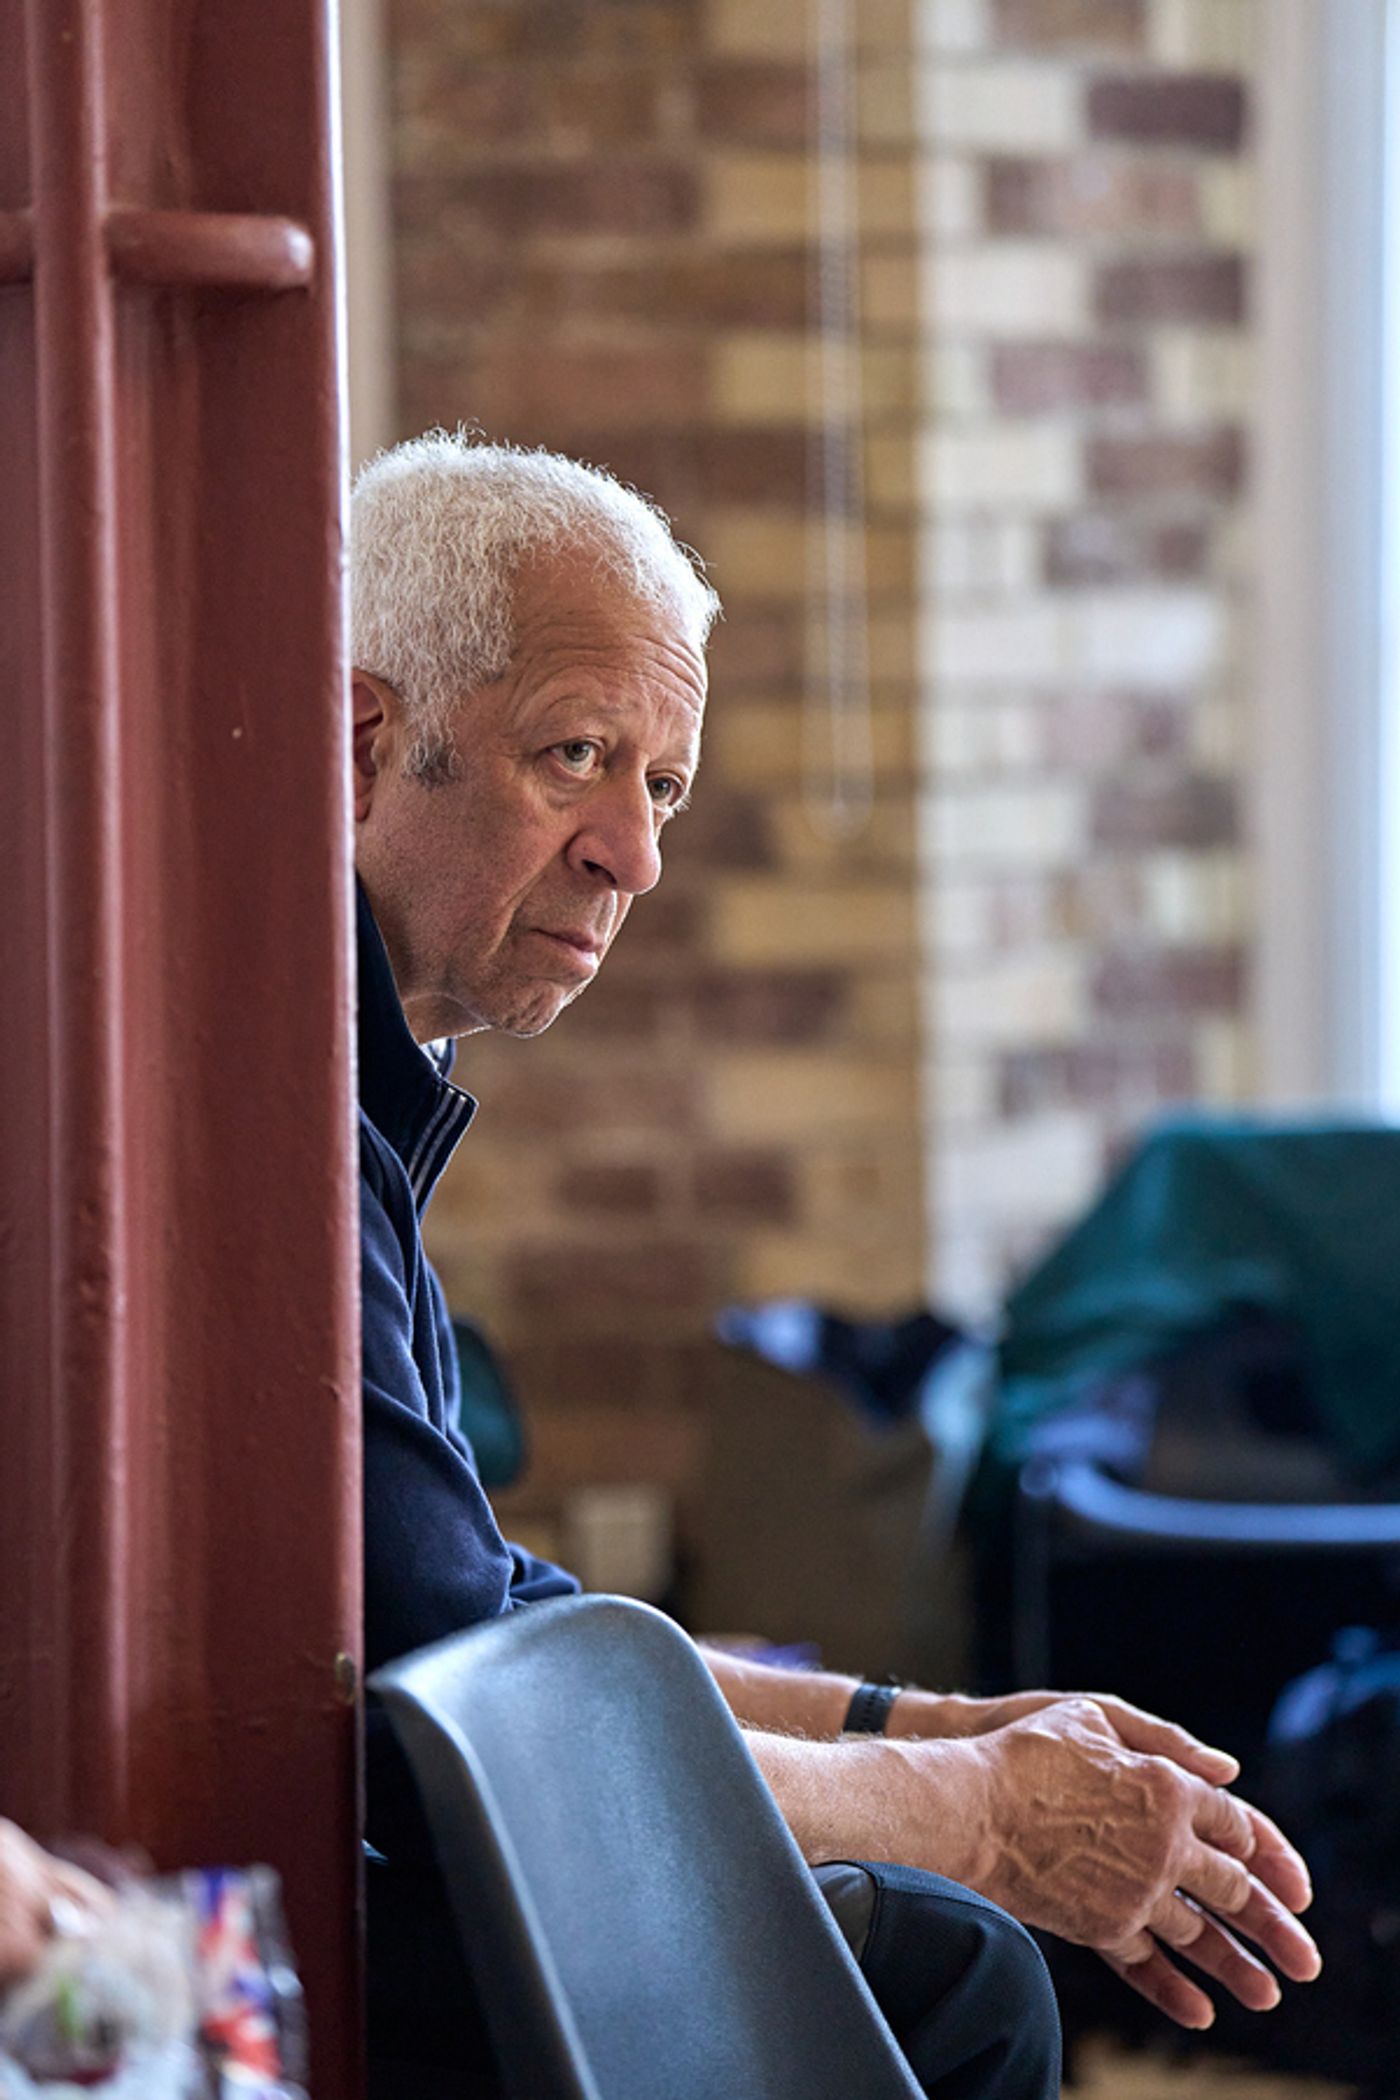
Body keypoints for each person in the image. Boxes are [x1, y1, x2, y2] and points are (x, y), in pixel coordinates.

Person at [351, 433, 1320, 2094]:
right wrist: (982, 1820)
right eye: (574, 755)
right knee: (951, 1967)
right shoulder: (260, 1123)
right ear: (363, 744)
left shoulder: (354, 1101)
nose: (633, 857)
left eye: (660, 787)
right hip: (288, 1921)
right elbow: (486, 1722)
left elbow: (505, 1626)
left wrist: (938, 1730)